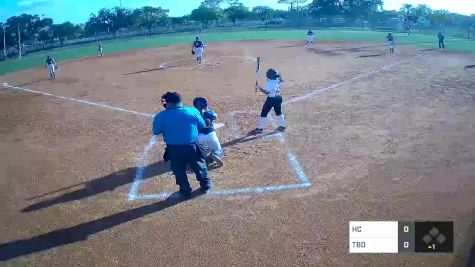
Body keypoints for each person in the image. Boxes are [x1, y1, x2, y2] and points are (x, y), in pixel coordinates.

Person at [152, 92, 212, 197]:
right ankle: (205, 184)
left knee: (178, 169)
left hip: (173, 149)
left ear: (168, 103)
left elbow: (156, 131)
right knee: (199, 166)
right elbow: (202, 125)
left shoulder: (160, 116)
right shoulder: (192, 111)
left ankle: (185, 189)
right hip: (192, 147)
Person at [250, 69, 286, 134]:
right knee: (279, 112)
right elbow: (282, 80)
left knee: (264, 113)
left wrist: (259, 88)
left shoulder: (270, 83)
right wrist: (279, 76)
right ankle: (282, 127)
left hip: (271, 100)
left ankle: (260, 129)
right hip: (278, 98)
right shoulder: (278, 80)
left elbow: (267, 93)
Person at [193, 97, 224, 167]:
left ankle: (204, 157)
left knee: (199, 150)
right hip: (211, 134)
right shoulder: (209, 112)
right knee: (218, 150)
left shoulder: (193, 113)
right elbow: (215, 116)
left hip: (199, 136)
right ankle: (216, 154)